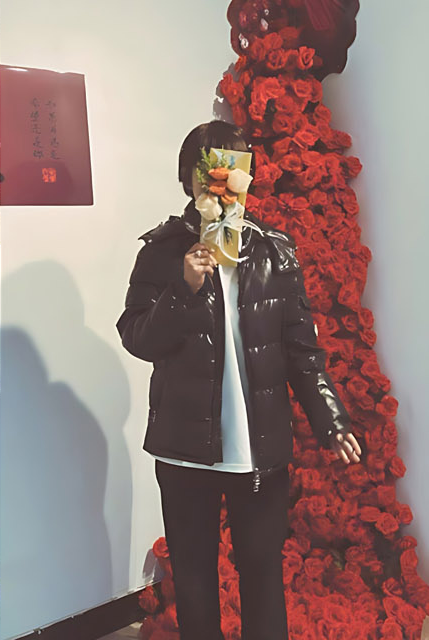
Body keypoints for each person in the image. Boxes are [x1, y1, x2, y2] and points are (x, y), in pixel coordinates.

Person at [116, 120, 362, 639]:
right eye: (207, 167)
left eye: (233, 164)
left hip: (258, 450)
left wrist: (332, 418)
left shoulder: (275, 250)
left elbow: (302, 350)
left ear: (246, 175)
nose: (220, 178)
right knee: (194, 579)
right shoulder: (161, 251)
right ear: (188, 178)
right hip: (183, 451)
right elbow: (137, 337)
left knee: (263, 573)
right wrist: (183, 289)